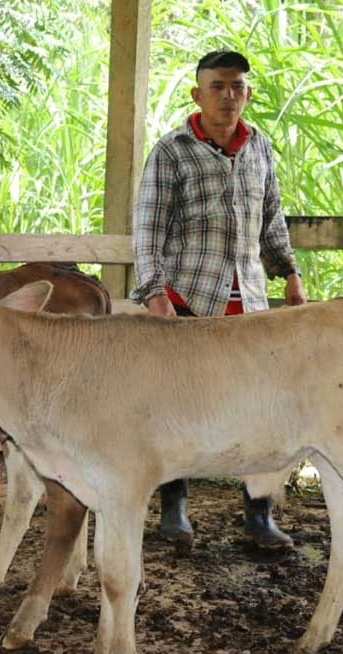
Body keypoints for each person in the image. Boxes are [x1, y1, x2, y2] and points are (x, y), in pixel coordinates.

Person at [132, 50, 306, 549]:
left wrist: (289, 273)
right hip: (188, 296)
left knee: (260, 408)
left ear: (247, 93)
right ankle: (174, 511)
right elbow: (147, 228)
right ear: (197, 94)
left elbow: (271, 221)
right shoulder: (171, 151)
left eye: (237, 86)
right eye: (217, 86)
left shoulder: (261, 150)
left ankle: (258, 516)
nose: (228, 95)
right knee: (177, 404)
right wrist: (154, 294)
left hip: (247, 301)